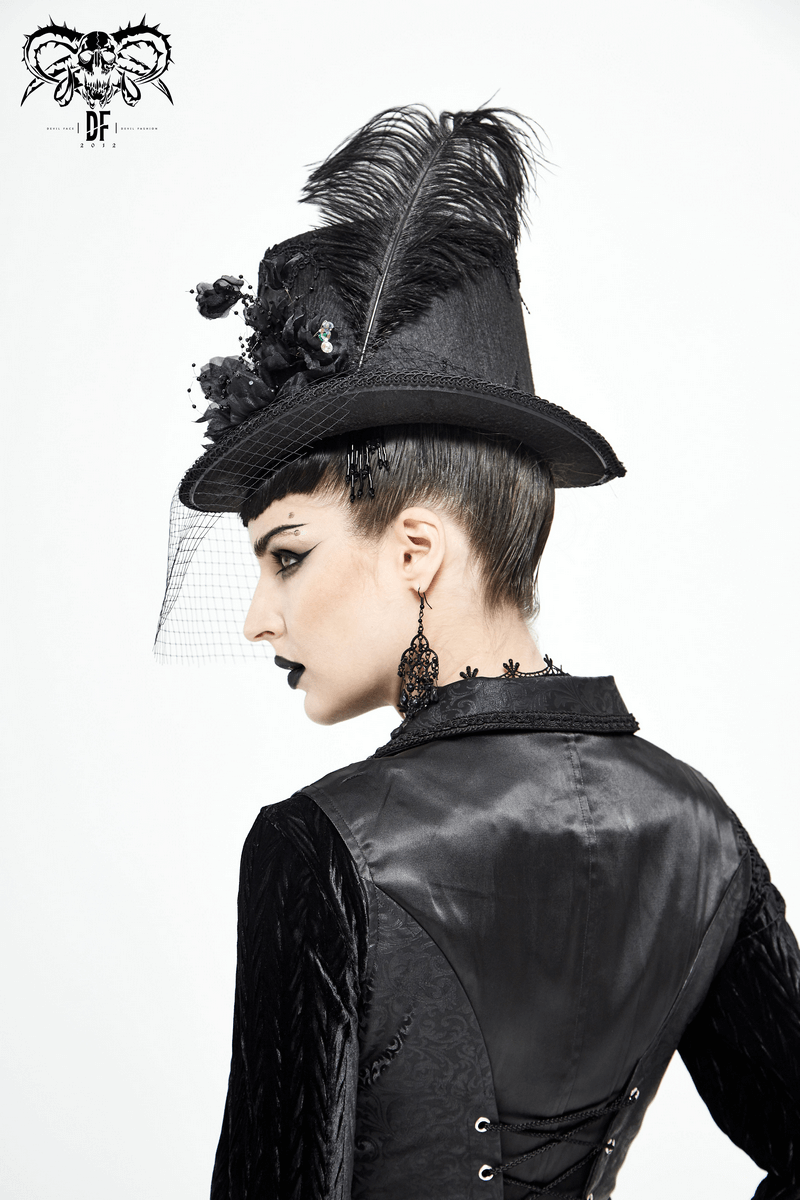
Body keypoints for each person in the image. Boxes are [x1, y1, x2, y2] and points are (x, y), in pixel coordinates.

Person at [160, 106, 800, 1199]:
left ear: (414, 550)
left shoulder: (317, 849)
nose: (259, 617)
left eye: (288, 556)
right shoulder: (699, 830)